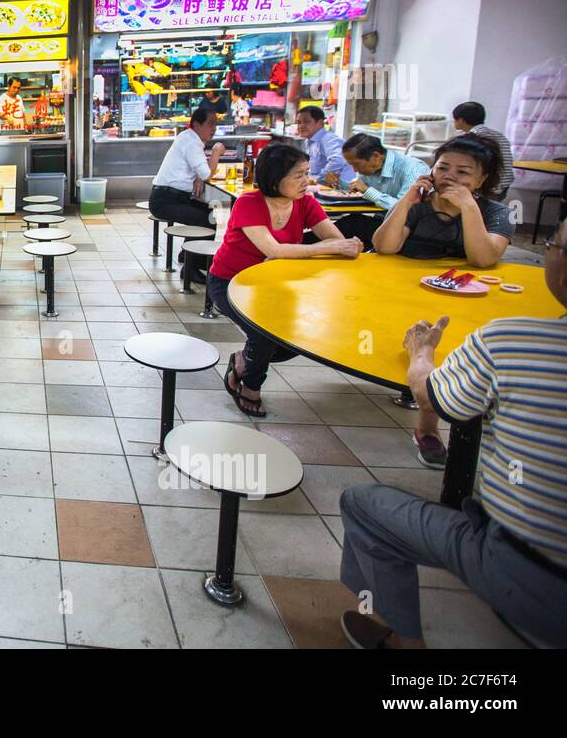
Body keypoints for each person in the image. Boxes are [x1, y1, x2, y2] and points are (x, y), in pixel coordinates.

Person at [337, 219, 567, 649]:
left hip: (533, 578)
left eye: (554, 243)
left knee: (361, 503)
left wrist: (421, 352)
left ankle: (403, 639)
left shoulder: (510, 341)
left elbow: (432, 396)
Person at [207, 143, 363, 417]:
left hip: (276, 284)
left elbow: (337, 241)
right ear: (275, 177)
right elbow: (275, 250)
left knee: (299, 336)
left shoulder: (306, 203)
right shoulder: (249, 203)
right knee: (264, 333)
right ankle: (250, 387)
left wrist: (323, 248)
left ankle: (243, 361)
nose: (306, 181)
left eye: (306, 173)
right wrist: (319, 248)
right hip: (231, 282)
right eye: (298, 175)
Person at [371, 134, 512, 268]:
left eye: (462, 172)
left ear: (481, 180)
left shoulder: (497, 213)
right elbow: (384, 248)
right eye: (442, 168)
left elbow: (483, 260)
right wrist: (405, 202)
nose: (448, 176)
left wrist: (469, 207)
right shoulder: (415, 204)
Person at [336, 133, 431, 243]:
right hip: (382, 221)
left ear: (376, 156)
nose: (355, 170)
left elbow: (407, 210)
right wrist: (339, 182)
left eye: (356, 165)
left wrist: (367, 191)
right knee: (344, 225)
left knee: (349, 226)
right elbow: (358, 189)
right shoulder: (372, 167)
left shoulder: (412, 169)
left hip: (407, 230)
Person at [149, 107, 226, 229]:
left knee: (211, 213)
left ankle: (191, 243)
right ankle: (192, 243)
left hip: (174, 198)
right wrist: (216, 151)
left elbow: (201, 171)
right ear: (197, 125)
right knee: (208, 220)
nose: (214, 128)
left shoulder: (188, 137)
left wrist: (198, 176)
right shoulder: (192, 142)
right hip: (165, 202)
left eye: (215, 124)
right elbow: (206, 175)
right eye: (210, 124)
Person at [452, 101, 515, 202]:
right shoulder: (499, 135)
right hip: (504, 185)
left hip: (487, 187)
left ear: (461, 120)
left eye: (454, 119)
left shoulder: (473, 137)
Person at [294, 105, 356, 188]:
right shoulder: (309, 141)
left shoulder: (329, 139)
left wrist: (318, 179)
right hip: (324, 187)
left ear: (320, 123)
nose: (301, 126)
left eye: (306, 122)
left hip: (343, 189)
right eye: (299, 122)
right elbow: (313, 169)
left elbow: (337, 161)